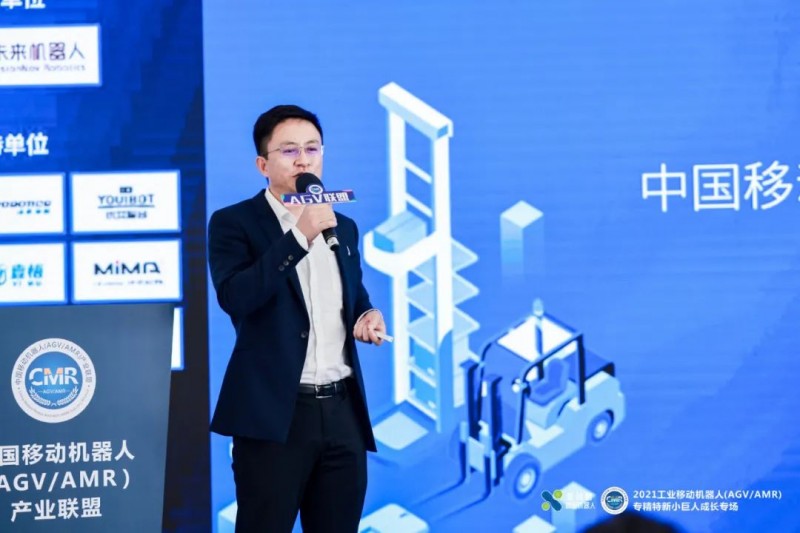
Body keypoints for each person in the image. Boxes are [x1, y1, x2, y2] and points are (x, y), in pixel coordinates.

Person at [207, 104, 387, 533]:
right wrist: (299, 236)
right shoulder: (234, 223)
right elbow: (236, 298)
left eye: (312, 149)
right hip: (275, 415)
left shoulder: (342, 226)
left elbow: (353, 295)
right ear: (262, 164)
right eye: (289, 151)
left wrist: (367, 314)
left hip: (342, 412)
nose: (303, 160)